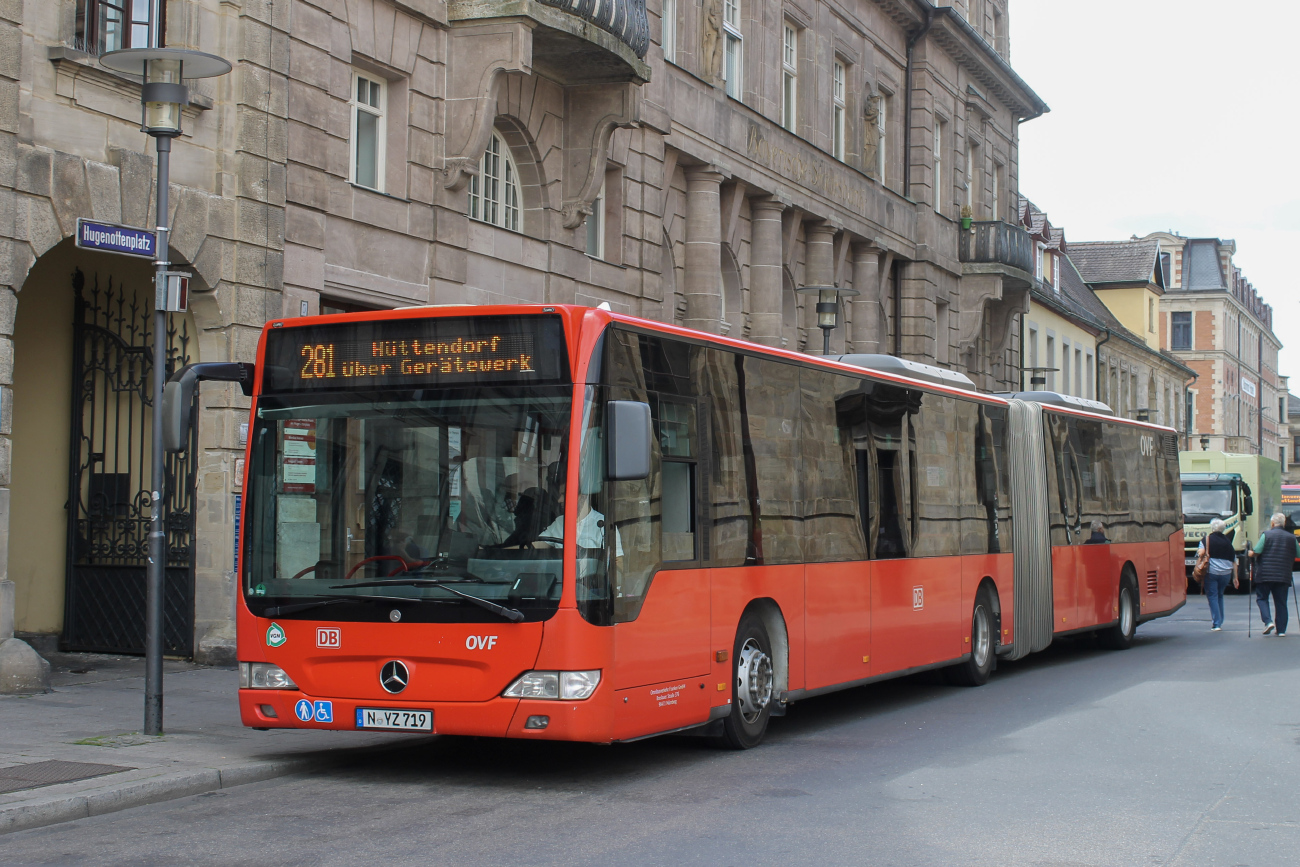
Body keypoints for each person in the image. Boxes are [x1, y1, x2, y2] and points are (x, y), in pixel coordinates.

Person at [1247, 512, 1299, 636]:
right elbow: (1298, 554)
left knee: (1262, 598)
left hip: (1265, 574)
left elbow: (1257, 551)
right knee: (1281, 602)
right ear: (1284, 523)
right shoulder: (1292, 538)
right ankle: (1281, 630)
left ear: (1272, 523)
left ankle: (1268, 621)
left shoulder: (1266, 535)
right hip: (1283, 575)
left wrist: (1250, 553)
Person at [1197, 518, 1238, 631]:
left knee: (1212, 596)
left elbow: (1200, 553)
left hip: (1212, 572)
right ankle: (1220, 619)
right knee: (1220, 595)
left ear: (1212, 528)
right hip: (1226, 574)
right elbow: (1234, 561)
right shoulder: (1228, 542)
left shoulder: (1207, 540)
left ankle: (1217, 623)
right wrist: (1235, 577)